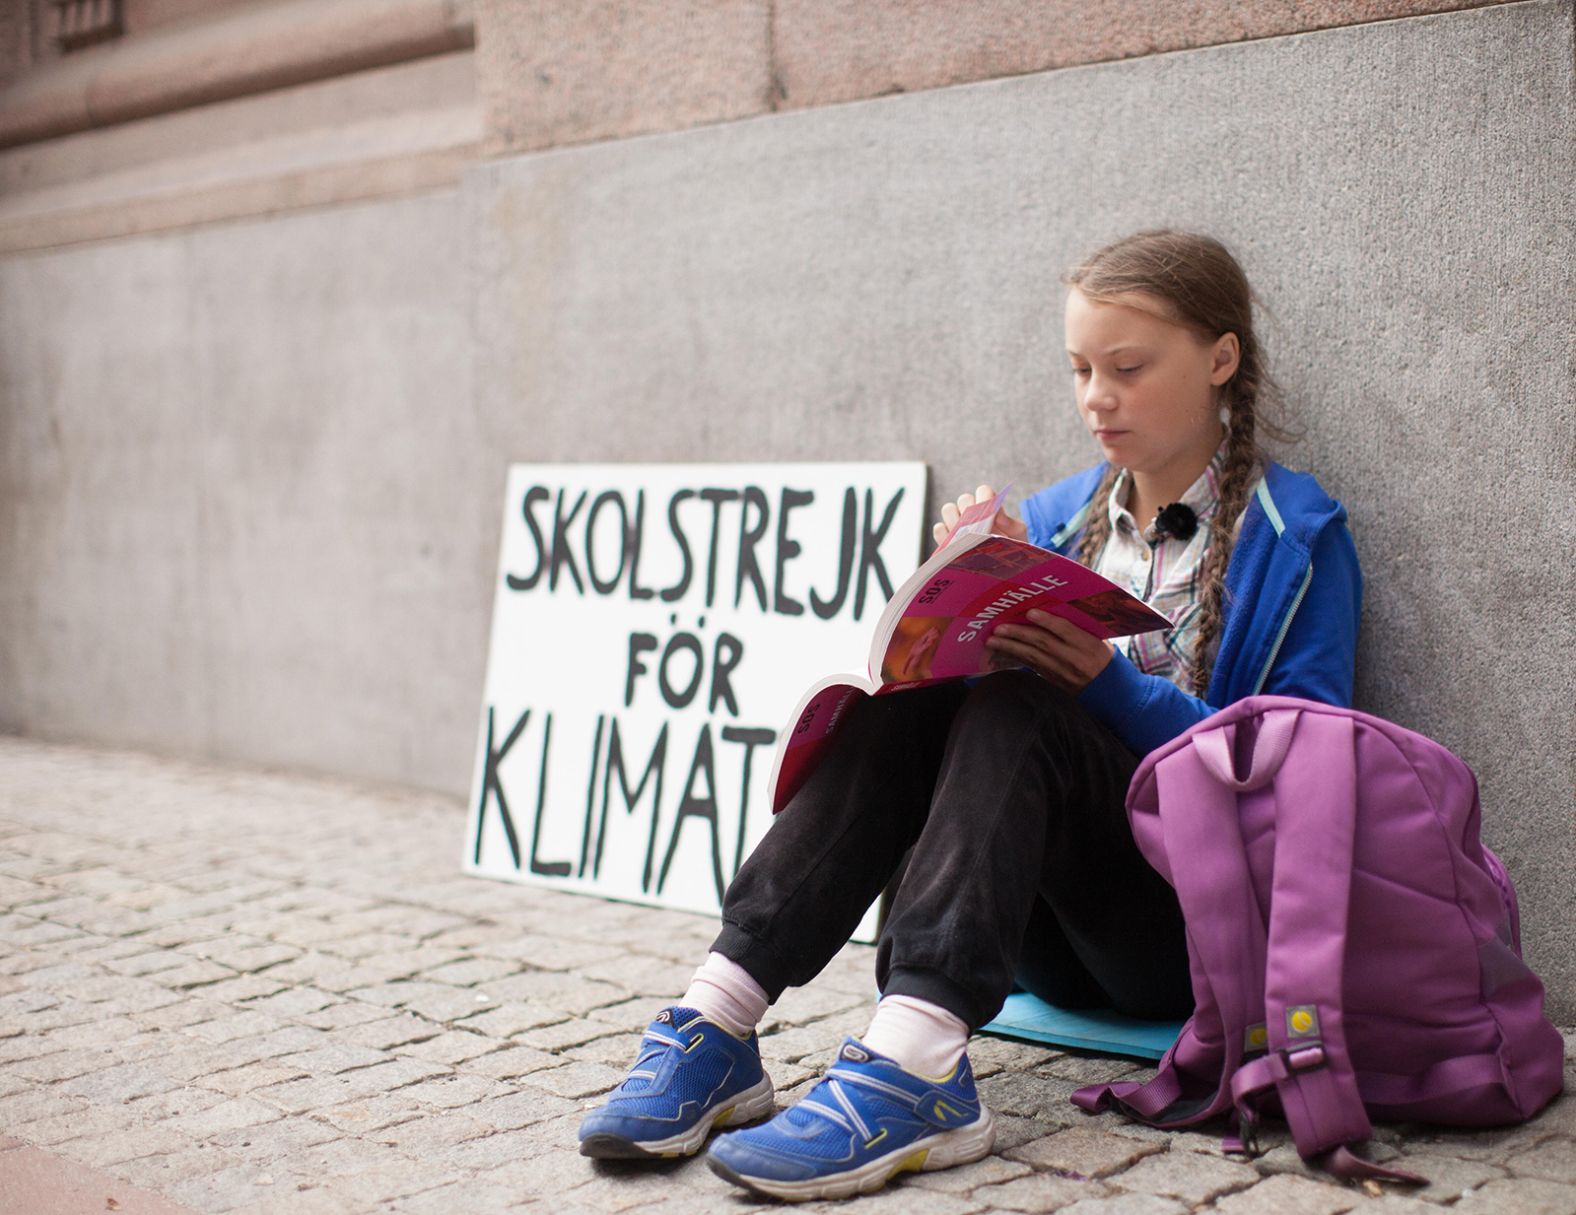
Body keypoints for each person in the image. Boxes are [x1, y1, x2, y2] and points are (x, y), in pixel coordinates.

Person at [576, 230, 1362, 1202]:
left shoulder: (1298, 534)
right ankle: (719, 1015)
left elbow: (1309, 770)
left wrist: (1107, 686)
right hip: (1038, 933)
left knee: (1033, 697)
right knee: (903, 703)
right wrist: (950, 619)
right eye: (1078, 369)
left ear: (1220, 359)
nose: (1095, 398)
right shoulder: (1058, 517)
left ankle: (916, 1066)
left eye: (1126, 368)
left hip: (1182, 933)